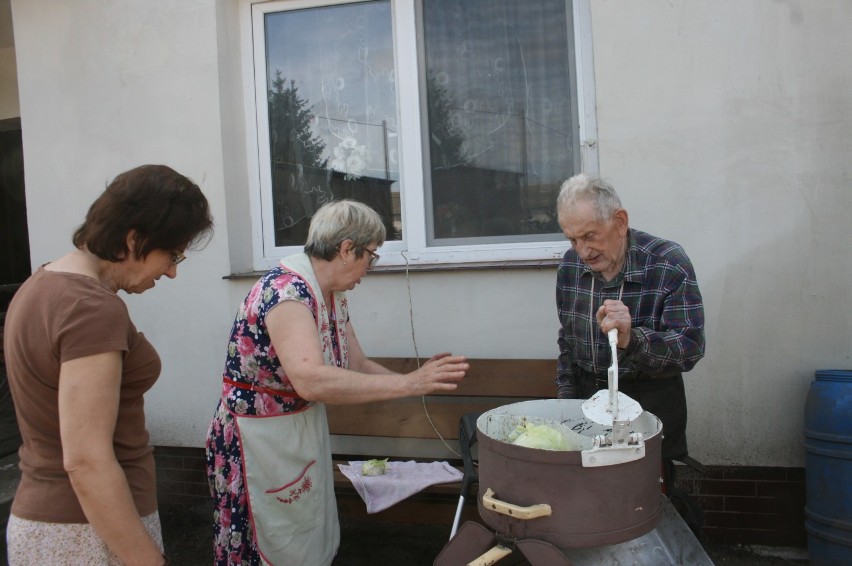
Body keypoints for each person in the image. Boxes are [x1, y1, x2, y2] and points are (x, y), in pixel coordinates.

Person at [205, 199, 468, 566]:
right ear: (347, 249)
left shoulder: (332, 296)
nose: (370, 268)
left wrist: (415, 383)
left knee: (305, 528)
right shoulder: (287, 294)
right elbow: (311, 380)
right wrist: (409, 384)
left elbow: (356, 363)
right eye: (371, 256)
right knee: (269, 537)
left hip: (296, 430)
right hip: (257, 439)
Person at [3, 164, 214, 564]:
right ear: (134, 238)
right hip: (89, 534)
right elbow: (86, 460)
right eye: (172, 255)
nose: (171, 272)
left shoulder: (41, 284)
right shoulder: (92, 309)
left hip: (52, 521)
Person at [555, 173, 705, 481]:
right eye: (573, 239)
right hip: (586, 403)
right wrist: (566, 406)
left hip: (648, 406)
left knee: (643, 506)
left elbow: (690, 347)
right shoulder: (570, 267)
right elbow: (567, 343)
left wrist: (632, 339)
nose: (583, 251)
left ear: (620, 222)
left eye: (590, 236)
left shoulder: (668, 263)